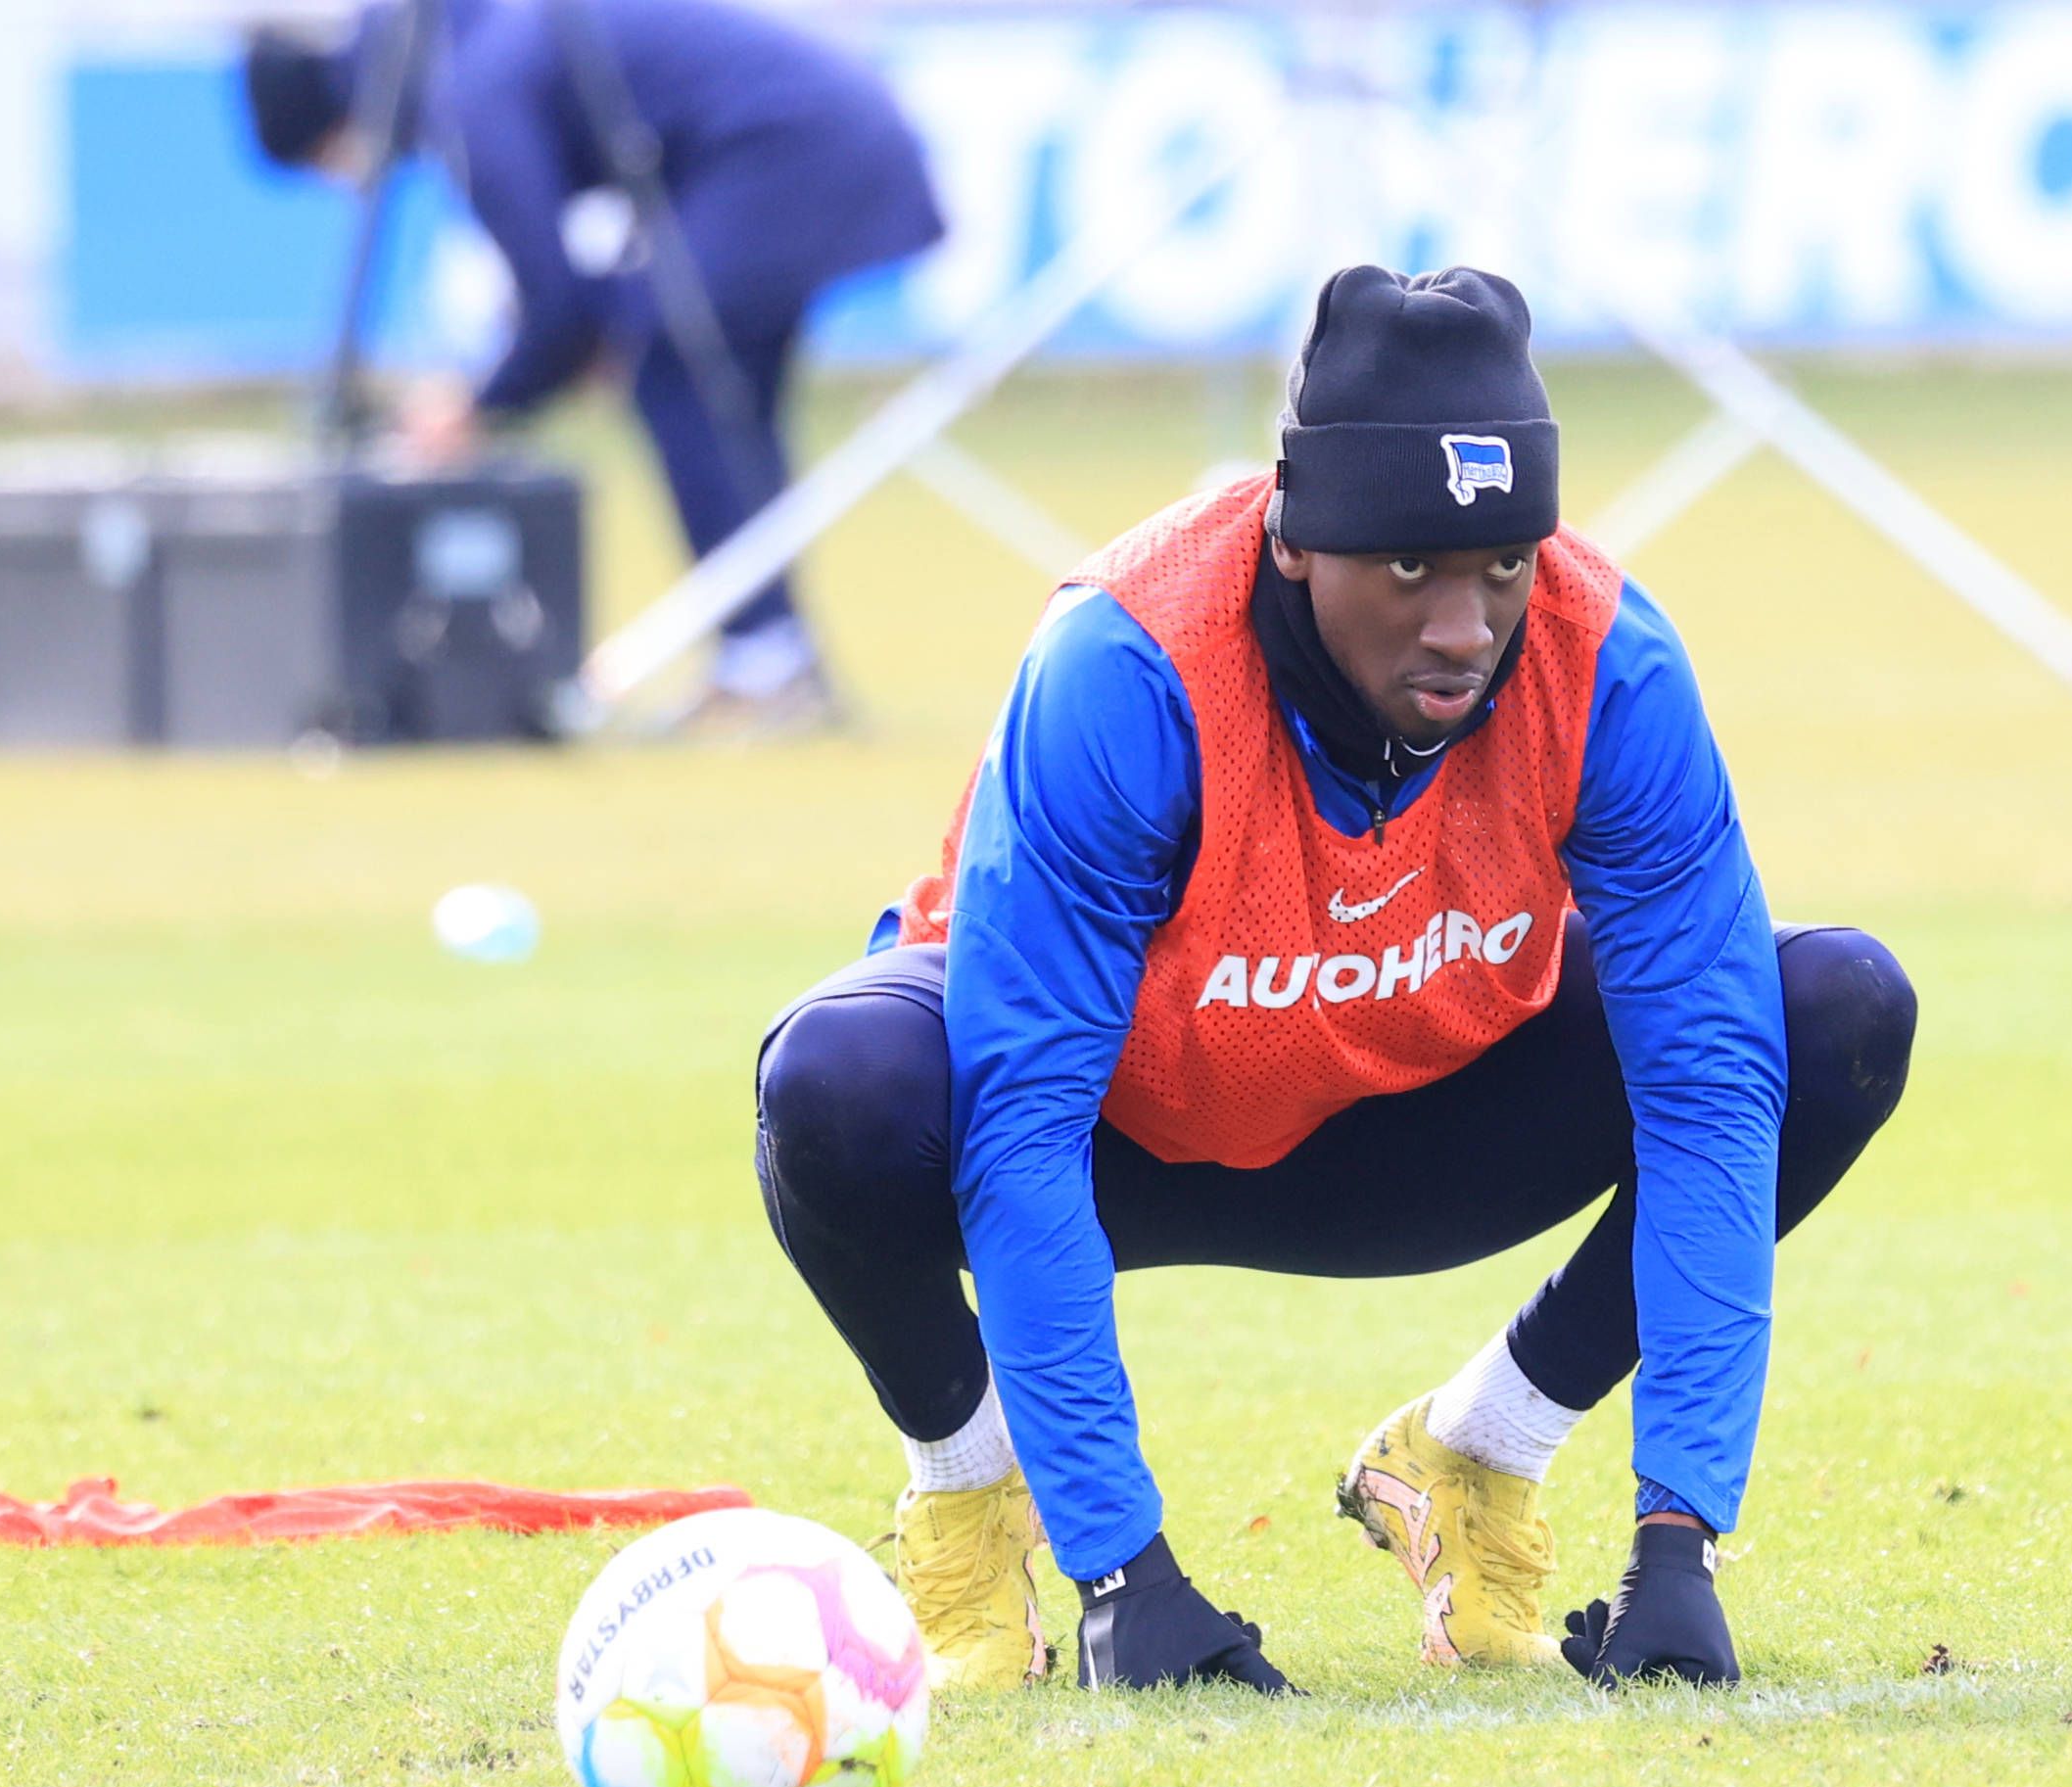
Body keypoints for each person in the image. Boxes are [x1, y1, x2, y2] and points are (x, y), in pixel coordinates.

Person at [753, 265, 1917, 1694]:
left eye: (1500, 566)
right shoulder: (1127, 661)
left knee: (1829, 1014)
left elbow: (1712, 1085)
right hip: (1126, 1129)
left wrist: (1679, 1541)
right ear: (1299, 543)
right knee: (836, 1086)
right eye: (1412, 567)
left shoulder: (1604, 655)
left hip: (1425, 1112)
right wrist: (1127, 1574)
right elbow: (1021, 1119)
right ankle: (973, 1489)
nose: (1464, 624)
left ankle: (1478, 1453)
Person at [244, 0, 942, 733]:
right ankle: (770, 657)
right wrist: (566, 346)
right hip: (818, 135)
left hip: (797, 147)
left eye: (329, 162)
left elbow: (558, 311)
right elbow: (573, 311)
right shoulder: (471, 48)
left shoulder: (472, 91)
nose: (350, 178)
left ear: (331, 122)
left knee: (675, 369)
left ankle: (766, 662)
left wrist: (474, 406)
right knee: (707, 385)